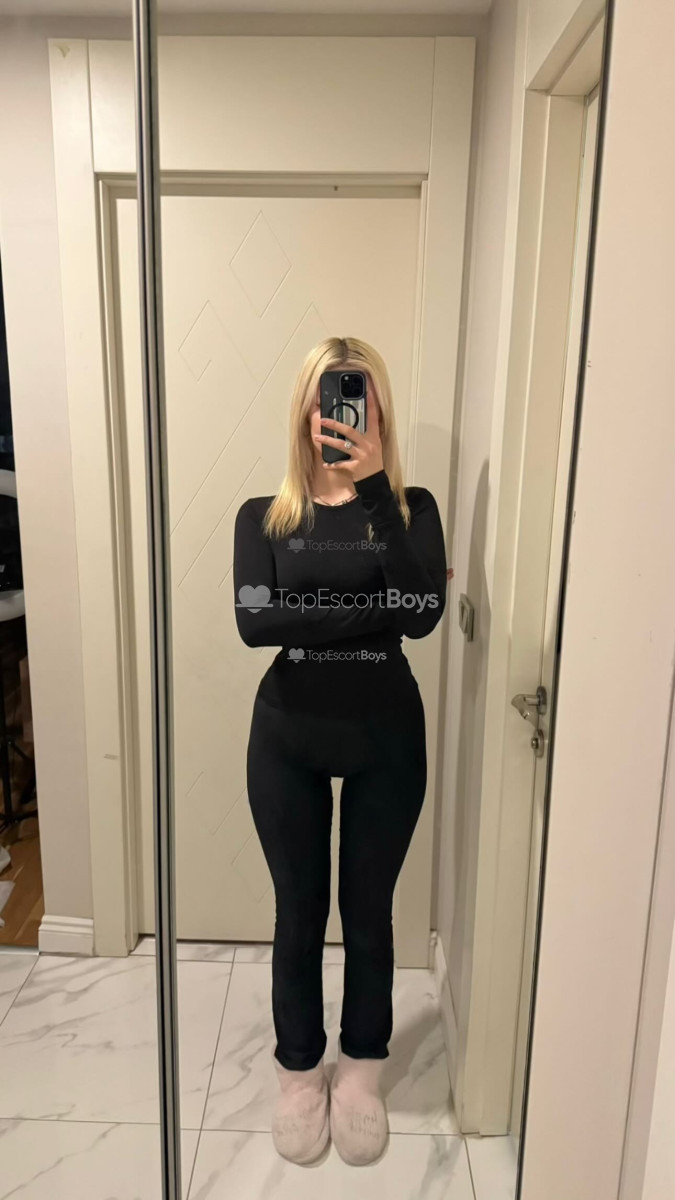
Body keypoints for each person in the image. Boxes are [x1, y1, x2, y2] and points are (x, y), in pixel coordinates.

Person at [233, 336, 447, 1166]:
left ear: (378, 411)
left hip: (385, 737)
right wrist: (372, 610)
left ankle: (359, 1074)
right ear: (304, 411)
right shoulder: (265, 516)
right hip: (286, 738)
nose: (342, 413)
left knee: (368, 915)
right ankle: (298, 1075)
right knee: (297, 913)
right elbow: (257, 621)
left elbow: (420, 613)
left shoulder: (410, 508)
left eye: (357, 396)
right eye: (327, 396)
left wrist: (374, 492)